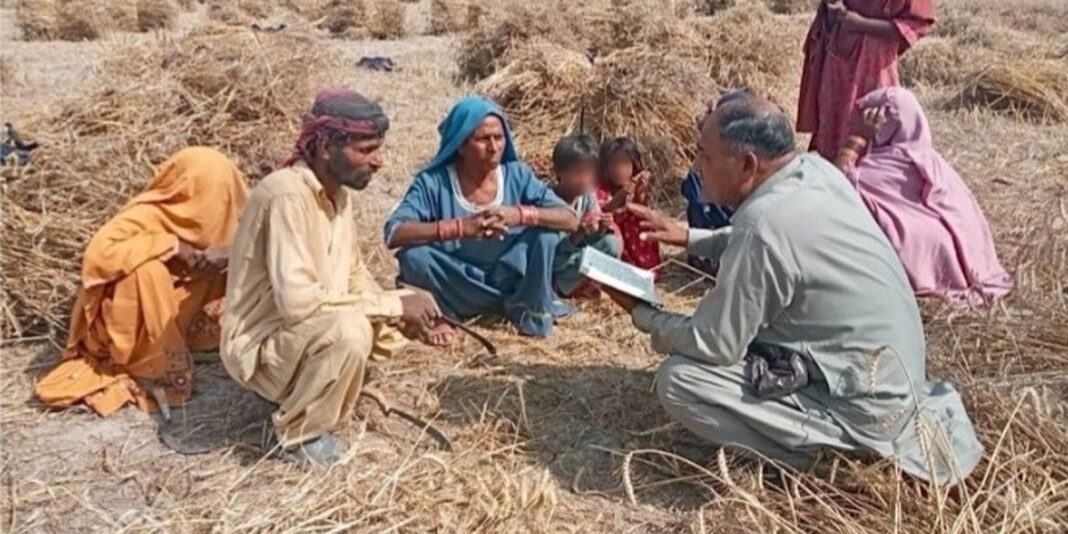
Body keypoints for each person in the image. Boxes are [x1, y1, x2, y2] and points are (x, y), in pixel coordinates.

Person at [600, 94, 982, 485]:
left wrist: (641, 312)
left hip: (864, 412)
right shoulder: (815, 172)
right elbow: (780, 238)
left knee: (680, 381)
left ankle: (829, 465)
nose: (698, 167)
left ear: (747, 164)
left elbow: (715, 345)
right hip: (894, 383)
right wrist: (691, 237)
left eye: (706, 157)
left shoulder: (762, 228)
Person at [220, 88, 443, 466]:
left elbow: (354, 274)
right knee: (350, 331)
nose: (378, 162)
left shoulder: (338, 194)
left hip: (301, 332)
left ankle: (313, 384)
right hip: (261, 348)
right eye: (367, 150)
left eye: (378, 149)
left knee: (376, 325)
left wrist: (399, 315)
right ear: (325, 147)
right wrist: (391, 304)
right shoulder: (286, 195)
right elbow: (298, 304)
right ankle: (299, 434)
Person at [35, 147, 248, 416]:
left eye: (220, 194)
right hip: (128, 328)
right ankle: (148, 362)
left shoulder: (233, 216)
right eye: (205, 194)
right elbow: (98, 255)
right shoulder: (149, 214)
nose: (211, 204)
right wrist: (172, 246)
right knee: (146, 271)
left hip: (186, 312)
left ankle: (187, 338)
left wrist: (228, 253)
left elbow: (269, 245)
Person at [385, 96, 579, 338]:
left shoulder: (516, 175)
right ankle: (442, 314)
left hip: (510, 281)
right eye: (483, 139)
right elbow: (394, 233)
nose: (494, 147)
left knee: (545, 235)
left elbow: (570, 218)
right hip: (455, 281)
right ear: (460, 144)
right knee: (415, 257)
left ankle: (526, 309)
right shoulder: (433, 182)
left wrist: (519, 215)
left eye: (499, 137)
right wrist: (461, 228)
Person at [835, 87, 1013, 305]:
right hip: (977, 266)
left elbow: (836, 186)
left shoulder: (881, 167)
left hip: (925, 268)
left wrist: (857, 138)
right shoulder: (935, 162)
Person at [797, 0, 935, 160]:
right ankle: (833, 175)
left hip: (875, 62)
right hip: (838, 53)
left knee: (871, 118)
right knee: (833, 116)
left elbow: (916, 23)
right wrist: (836, 7)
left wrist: (862, 24)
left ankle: (860, 176)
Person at [549, 133, 622, 298]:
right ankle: (561, 288)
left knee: (610, 243)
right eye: (578, 173)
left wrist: (602, 227)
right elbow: (552, 250)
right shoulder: (549, 201)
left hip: (577, 259)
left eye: (589, 174)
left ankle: (582, 284)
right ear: (559, 172)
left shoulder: (587, 196)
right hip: (557, 263)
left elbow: (595, 236)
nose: (584, 180)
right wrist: (578, 233)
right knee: (582, 260)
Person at [596, 137, 663, 277]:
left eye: (625, 164)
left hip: (633, 239)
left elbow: (641, 209)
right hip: (613, 238)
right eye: (614, 164)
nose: (619, 170)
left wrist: (641, 193)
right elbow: (603, 211)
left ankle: (644, 264)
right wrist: (621, 196)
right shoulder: (601, 189)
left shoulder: (635, 186)